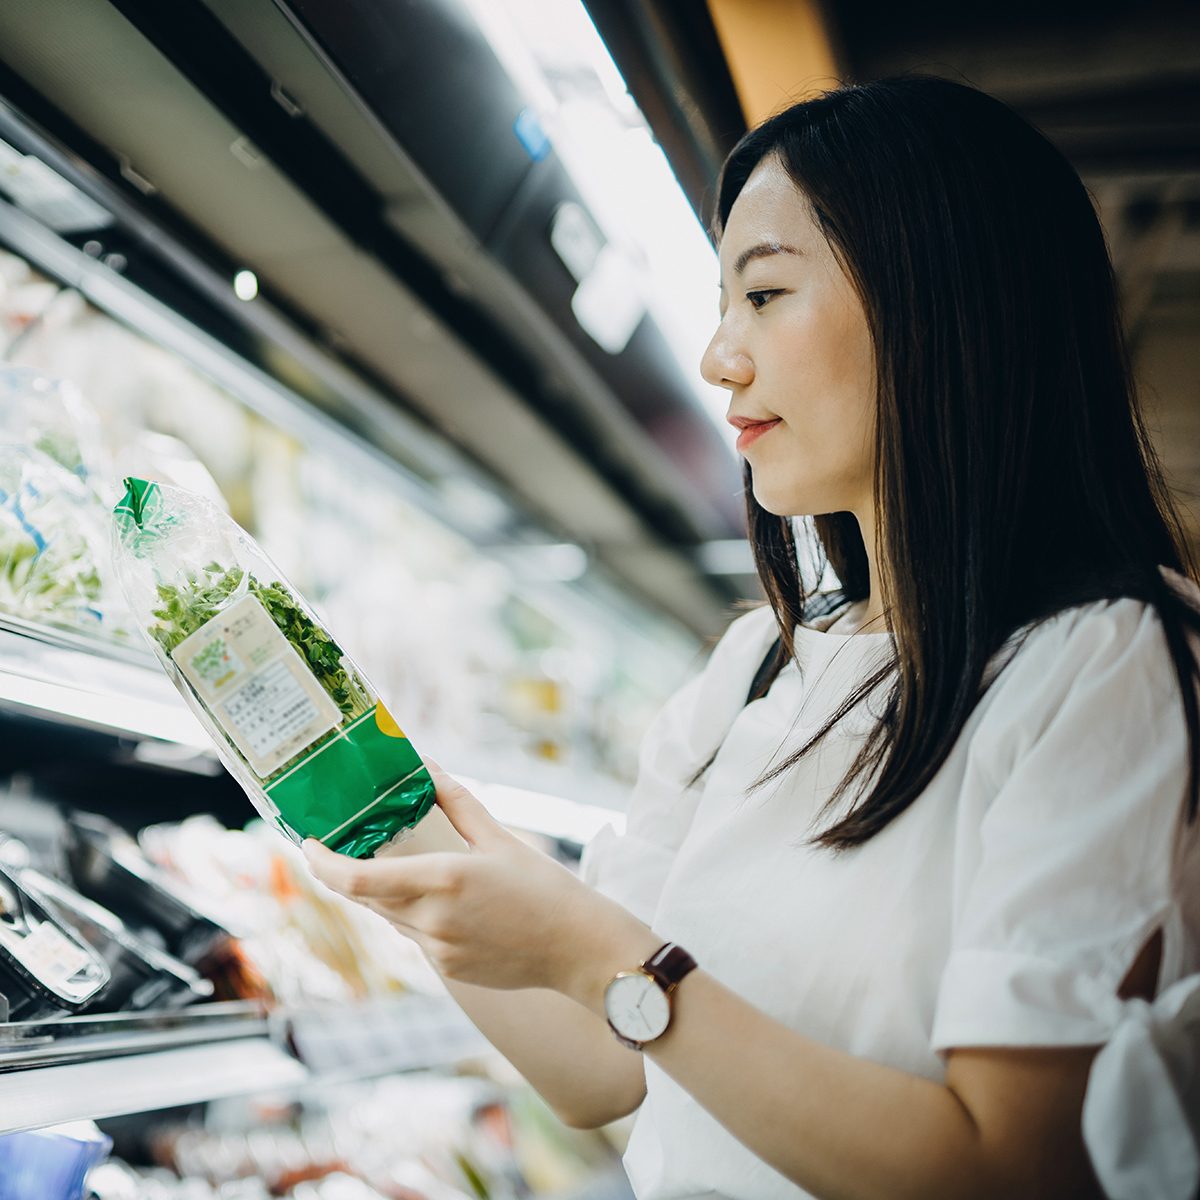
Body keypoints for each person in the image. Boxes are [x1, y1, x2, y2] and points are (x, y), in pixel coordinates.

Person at [303, 76, 1200, 1200]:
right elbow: (602, 1072)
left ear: (943, 301)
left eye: (765, 294)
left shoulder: (1108, 666)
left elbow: (1008, 1166)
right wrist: (355, 796)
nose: (719, 358)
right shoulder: (755, 672)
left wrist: (603, 954)